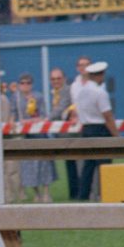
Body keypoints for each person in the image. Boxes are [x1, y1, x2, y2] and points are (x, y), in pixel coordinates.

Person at [74, 62, 119, 201]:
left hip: (86, 129)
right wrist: (116, 135)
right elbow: (107, 116)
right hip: (100, 129)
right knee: (104, 164)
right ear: (100, 75)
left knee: (88, 165)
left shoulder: (82, 91)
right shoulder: (100, 92)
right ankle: (105, 194)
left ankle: (84, 194)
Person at [11, 73, 56, 203]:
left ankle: (47, 192)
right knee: (29, 165)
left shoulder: (38, 96)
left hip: (40, 135)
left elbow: (43, 115)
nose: (25, 85)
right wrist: (14, 121)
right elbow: (13, 113)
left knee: (44, 163)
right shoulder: (16, 98)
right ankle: (37, 193)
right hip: (26, 137)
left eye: (28, 83)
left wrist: (34, 120)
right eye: (23, 83)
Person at [48, 67, 78, 199]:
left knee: (77, 165)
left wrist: (45, 119)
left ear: (64, 79)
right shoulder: (56, 93)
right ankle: (74, 193)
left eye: (58, 78)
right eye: (53, 79)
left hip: (73, 135)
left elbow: (60, 110)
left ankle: (80, 193)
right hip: (64, 135)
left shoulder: (67, 91)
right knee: (69, 165)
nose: (56, 81)